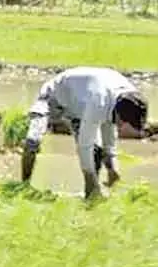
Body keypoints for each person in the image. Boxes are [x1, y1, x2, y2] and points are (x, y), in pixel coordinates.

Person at [21, 67, 148, 200]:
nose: (123, 131)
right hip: (53, 98)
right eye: (124, 126)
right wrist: (89, 177)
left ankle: (91, 195)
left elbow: (108, 132)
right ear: (121, 118)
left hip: (79, 108)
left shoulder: (131, 98)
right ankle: (23, 188)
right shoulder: (99, 101)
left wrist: (112, 168)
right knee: (32, 142)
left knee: (96, 151)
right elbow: (84, 145)